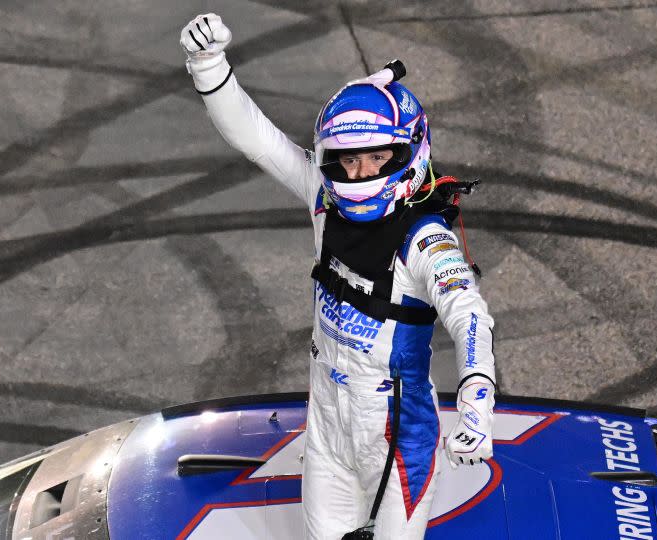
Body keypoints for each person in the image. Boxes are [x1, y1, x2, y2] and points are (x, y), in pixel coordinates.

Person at [180, 13, 497, 540]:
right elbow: (256, 138)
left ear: (408, 152)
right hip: (327, 421)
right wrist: (208, 64)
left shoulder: (426, 239)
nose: (360, 173)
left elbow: (470, 318)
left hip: (400, 438)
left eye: (377, 157)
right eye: (347, 160)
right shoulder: (322, 197)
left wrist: (478, 400)